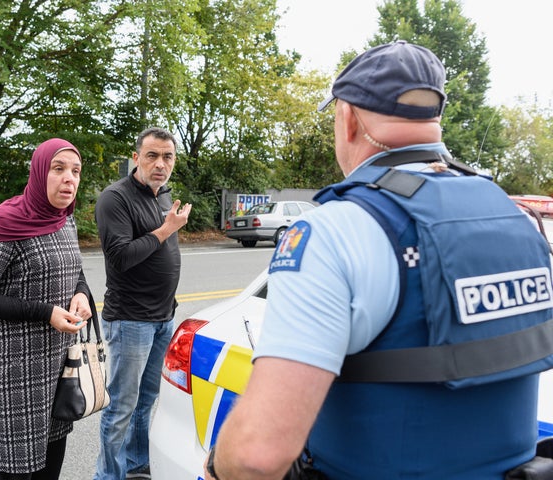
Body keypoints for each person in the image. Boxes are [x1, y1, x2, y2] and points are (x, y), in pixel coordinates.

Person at [204, 41, 553, 480]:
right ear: (434, 120)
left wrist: (220, 463)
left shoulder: (333, 232)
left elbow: (257, 456)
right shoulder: (518, 220)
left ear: (347, 118)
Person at [0, 138, 92, 480]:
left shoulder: (65, 219)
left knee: (50, 464)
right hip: (13, 370)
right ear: (38, 172)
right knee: (13, 471)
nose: (69, 179)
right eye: (58, 169)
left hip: (58, 363)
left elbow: (75, 272)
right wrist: (45, 312)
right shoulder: (3, 223)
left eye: (75, 171)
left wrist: (81, 295)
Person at [94, 127, 192, 480]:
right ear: (135, 158)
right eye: (152, 155)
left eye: (168, 157)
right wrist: (167, 230)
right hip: (130, 320)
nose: (160, 163)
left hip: (162, 318)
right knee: (121, 405)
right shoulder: (115, 198)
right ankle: (109, 475)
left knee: (146, 400)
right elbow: (120, 257)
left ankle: (136, 465)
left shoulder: (163, 196)